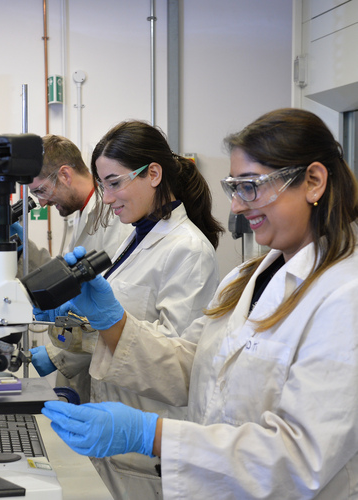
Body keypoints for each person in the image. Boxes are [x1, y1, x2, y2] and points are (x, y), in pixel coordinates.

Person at [40, 108, 358, 499]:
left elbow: (299, 458)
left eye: (251, 186)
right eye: (233, 188)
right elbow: (194, 367)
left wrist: (151, 435)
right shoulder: (244, 280)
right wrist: (112, 322)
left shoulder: (345, 295)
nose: (237, 206)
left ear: (313, 181)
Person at [33, 120, 223, 499]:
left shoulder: (188, 249)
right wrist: (71, 331)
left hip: (146, 444)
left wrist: (104, 324)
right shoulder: (136, 237)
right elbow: (118, 326)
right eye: (103, 185)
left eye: (115, 182)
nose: (106, 196)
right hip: (113, 432)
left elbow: (180, 366)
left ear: (154, 174)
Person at [26, 134, 132, 402]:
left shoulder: (115, 218)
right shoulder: (83, 215)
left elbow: (114, 313)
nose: (40, 202)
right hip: (88, 365)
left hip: (109, 370)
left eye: (40, 191)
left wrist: (57, 356)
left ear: (64, 174)